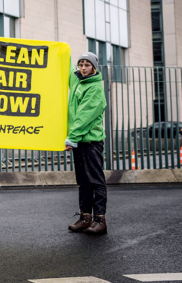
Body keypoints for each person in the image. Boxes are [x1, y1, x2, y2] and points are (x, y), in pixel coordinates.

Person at [65, 52, 108, 234]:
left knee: (96, 181)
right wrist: (63, 52)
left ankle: (100, 220)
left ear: (94, 67)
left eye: (87, 65)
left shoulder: (95, 88)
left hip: (91, 142)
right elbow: (68, 71)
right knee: (83, 181)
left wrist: (72, 137)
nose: (83, 68)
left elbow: (85, 116)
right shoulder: (78, 81)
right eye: (80, 64)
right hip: (80, 141)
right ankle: (85, 217)